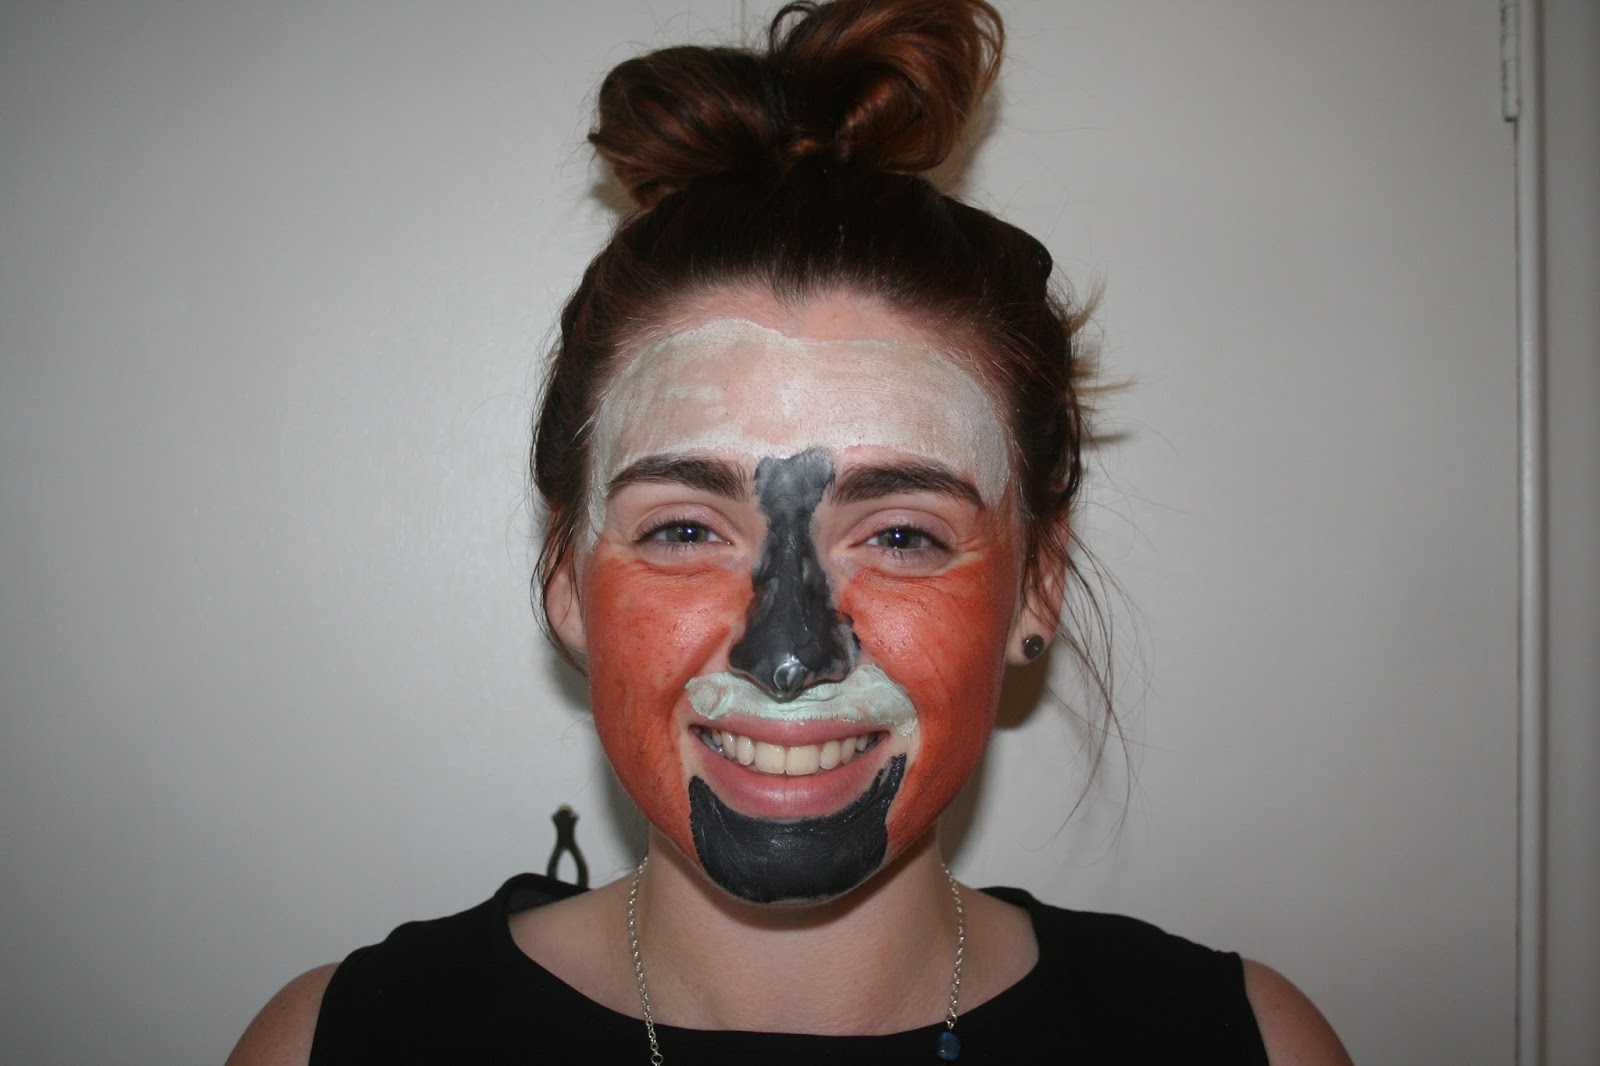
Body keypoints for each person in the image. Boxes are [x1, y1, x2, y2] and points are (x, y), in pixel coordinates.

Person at [229, 1, 1352, 1062]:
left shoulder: (1242, 1042)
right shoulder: (337, 1043)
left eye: (901, 536)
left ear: (1037, 585)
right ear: (564, 576)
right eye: (683, 530)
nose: (787, 655)